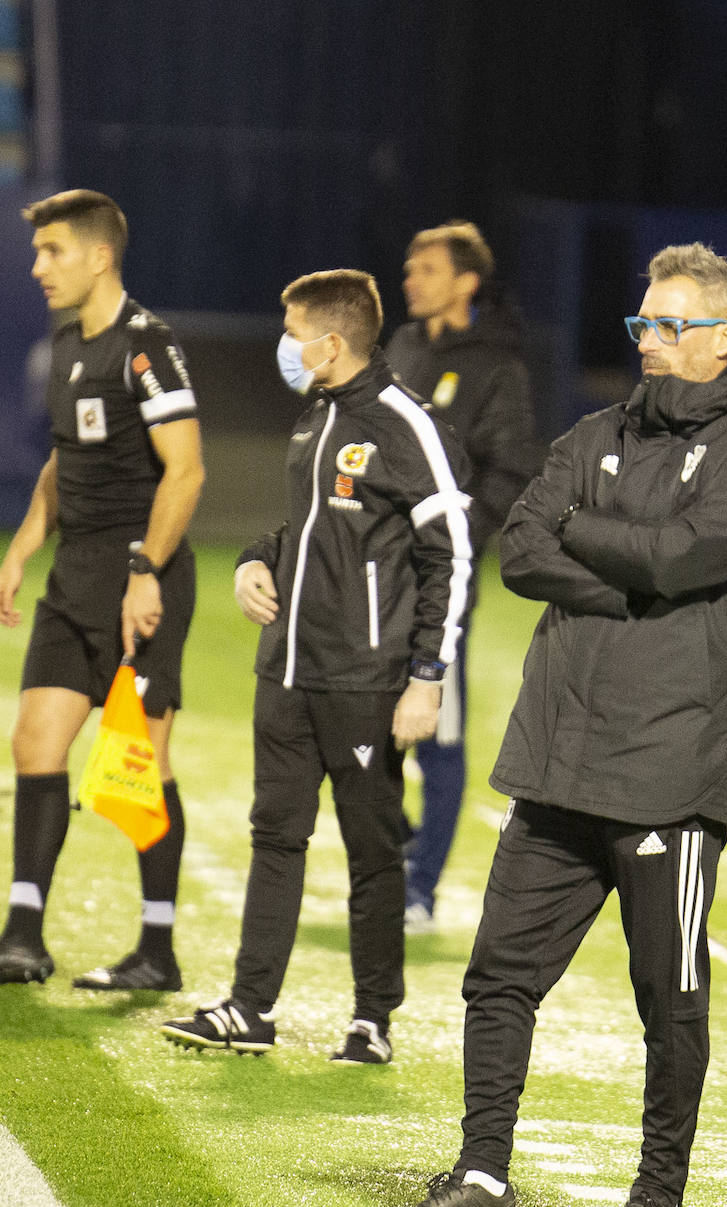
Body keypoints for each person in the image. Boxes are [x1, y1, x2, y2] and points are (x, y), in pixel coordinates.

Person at [370, 243, 727, 1207]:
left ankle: (659, 1200)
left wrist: (598, 542)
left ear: (725, 338)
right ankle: (481, 1180)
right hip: (556, 761)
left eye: (673, 325)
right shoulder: (593, 433)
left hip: (666, 778)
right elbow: (522, 543)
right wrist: (636, 586)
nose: (651, 341)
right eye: (643, 323)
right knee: (497, 978)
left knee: (668, 998)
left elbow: (687, 554)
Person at [160, 269, 471, 1064]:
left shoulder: (406, 424)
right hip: (287, 676)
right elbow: (304, 530)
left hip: (366, 682)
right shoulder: (315, 416)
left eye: (294, 330)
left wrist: (427, 677)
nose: (286, 346)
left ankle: (373, 1019)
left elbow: (453, 555)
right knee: (276, 837)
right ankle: (250, 1008)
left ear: (331, 342)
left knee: (372, 852)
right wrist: (253, 562)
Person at [0, 189, 205, 991]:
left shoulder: (147, 347)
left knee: (138, 765)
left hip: (137, 579)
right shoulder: (64, 344)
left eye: (52, 252)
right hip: (73, 578)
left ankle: (156, 950)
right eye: (38, 251)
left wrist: (147, 574)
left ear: (99, 255)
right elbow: (61, 464)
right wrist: (21, 549)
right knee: (34, 742)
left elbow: (185, 472)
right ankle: (23, 938)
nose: (37, 267)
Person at [386, 221, 542, 933]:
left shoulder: (497, 367)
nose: (410, 278)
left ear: (465, 281)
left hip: (440, 579)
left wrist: (454, 536)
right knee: (352, 718)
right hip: (373, 570)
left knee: (438, 729)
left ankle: (418, 889)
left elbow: (512, 471)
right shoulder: (403, 347)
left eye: (425, 268)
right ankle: (396, 844)